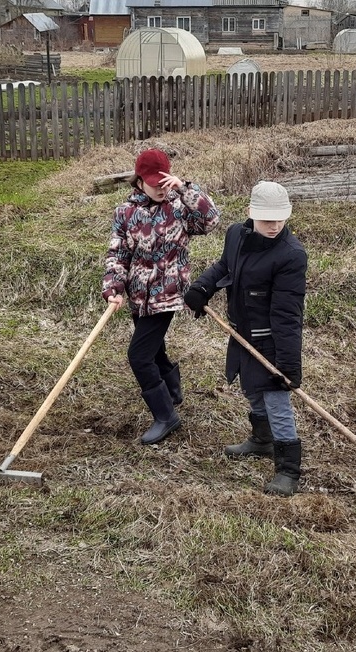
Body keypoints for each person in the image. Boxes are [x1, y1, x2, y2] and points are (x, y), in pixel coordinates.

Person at [183, 181, 308, 497]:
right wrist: (202, 288)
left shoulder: (290, 255)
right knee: (251, 389)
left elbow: (287, 315)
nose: (274, 226)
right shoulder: (236, 234)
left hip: (270, 341)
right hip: (241, 332)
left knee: (275, 400)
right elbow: (225, 266)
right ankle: (262, 441)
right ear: (251, 213)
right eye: (267, 219)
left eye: (280, 219)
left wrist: (289, 366)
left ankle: (288, 470)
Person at [102, 148, 220, 444]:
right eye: (152, 182)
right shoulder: (126, 212)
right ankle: (172, 388)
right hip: (137, 295)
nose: (158, 188)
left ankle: (166, 415)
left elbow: (210, 220)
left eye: (163, 181)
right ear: (139, 180)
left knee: (139, 356)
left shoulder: (179, 207)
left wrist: (185, 189)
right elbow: (119, 253)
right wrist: (114, 287)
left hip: (167, 293)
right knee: (153, 351)